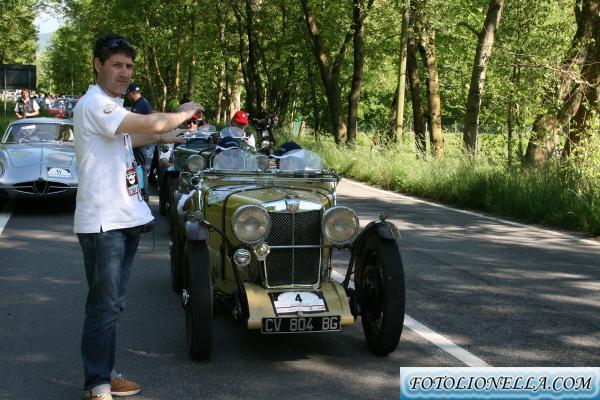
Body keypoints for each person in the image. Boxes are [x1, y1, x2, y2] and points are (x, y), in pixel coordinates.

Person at [73, 34, 203, 400]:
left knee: (112, 306)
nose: (124, 72)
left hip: (123, 219)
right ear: (98, 65)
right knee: (103, 308)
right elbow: (150, 124)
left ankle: (106, 373)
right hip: (104, 223)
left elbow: (131, 139)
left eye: (129, 66)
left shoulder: (110, 106)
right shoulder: (96, 103)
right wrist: (183, 113)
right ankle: (98, 384)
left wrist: (173, 137)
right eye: (116, 64)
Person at [126, 83, 153, 202]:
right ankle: (138, 191)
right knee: (136, 166)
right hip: (140, 140)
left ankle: (143, 193)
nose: (128, 97)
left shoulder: (140, 105)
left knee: (140, 167)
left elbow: (134, 124)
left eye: (128, 94)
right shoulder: (142, 103)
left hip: (140, 141)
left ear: (131, 93)